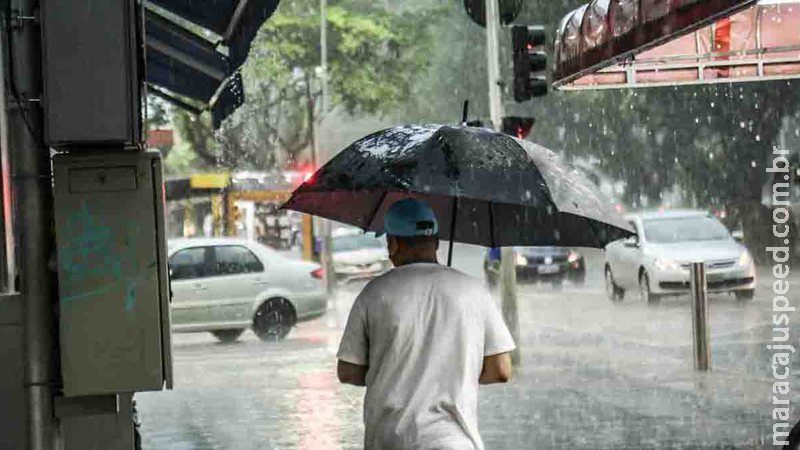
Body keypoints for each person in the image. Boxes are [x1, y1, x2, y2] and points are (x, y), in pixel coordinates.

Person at [336, 198, 516, 450]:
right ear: (437, 242)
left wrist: (394, 370)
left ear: (393, 244)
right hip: (455, 443)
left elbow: (348, 371)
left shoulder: (375, 294)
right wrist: (454, 371)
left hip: (391, 441)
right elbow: (501, 370)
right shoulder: (474, 291)